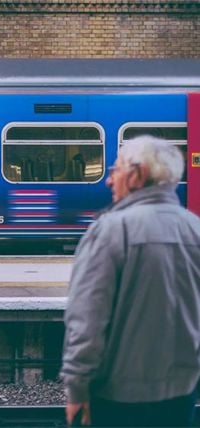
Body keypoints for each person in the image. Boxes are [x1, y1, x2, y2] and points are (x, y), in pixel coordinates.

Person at [61, 136, 200, 427]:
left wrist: (76, 386)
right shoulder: (194, 229)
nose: (109, 181)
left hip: (117, 395)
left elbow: (87, 320)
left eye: (116, 170)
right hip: (182, 391)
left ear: (138, 174)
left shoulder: (111, 230)